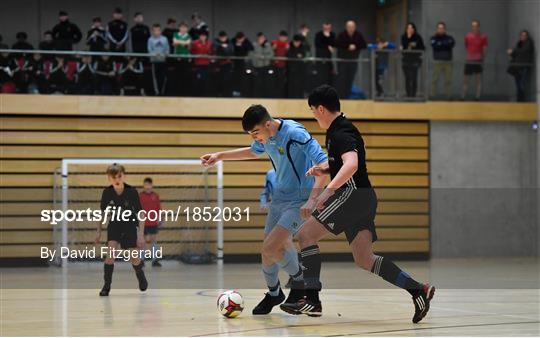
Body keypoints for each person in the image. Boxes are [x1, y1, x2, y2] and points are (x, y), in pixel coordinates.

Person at [280, 85, 435, 323]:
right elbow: (348, 162)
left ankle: (311, 299)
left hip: (352, 196)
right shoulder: (342, 128)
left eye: (312, 111)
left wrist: (325, 193)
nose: (313, 115)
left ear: (320, 109)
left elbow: (351, 165)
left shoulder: (339, 132)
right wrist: (325, 168)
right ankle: (418, 290)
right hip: (365, 198)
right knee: (364, 258)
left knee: (305, 235)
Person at [201, 104, 328, 315]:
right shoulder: (265, 137)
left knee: (270, 248)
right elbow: (252, 152)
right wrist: (220, 156)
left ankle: (300, 283)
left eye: (255, 133)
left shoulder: (295, 133)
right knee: (270, 252)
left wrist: (313, 198)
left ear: (268, 124)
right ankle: (274, 293)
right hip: (279, 198)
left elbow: (324, 163)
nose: (254, 138)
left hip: (299, 200)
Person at [95, 164, 147, 296]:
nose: (117, 179)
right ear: (109, 178)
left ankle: (140, 274)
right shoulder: (107, 192)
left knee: (133, 258)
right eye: (114, 177)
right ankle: (106, 286)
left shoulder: (131, 191)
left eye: (119, 176)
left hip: (129, 225)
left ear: (124, 175)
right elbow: (102, 213)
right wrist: (99, 231)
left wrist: (140, 234)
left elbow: (141, 214)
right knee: (110, 255)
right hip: (114, 225)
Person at [335, 20, 366, 99]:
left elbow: (363, 44)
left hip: (353, 61)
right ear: (346, 27)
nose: (351, 29)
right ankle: (340, 97)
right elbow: (337, 44)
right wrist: (347, 47)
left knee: (350, 79)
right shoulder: (342, 35)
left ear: (355, 27)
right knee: (341, 79)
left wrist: (355, 46)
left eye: (352, 27)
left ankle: (347, 96)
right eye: (349, 27)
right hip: (343, 61)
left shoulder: (358, 35)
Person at [139, 177, 162, 267]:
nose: (147, 186)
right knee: (142, 241)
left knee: (153, 241)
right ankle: (141, 260)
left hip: (153, 223)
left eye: (149, 184)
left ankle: (155, 260)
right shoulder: (140, 196)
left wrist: (160, 218)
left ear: (152, 185)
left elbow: (158, 208)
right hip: (143, 223)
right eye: (146, 184)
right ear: (143, 185)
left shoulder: (155, 196)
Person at [462, 20, 487, 101]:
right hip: (469, 60)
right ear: (471, 27)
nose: (474, 27)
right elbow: (466, 46)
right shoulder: (468, 36)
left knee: (478, 80)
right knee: (466, 80)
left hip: (478, 60)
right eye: (473, 26)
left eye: (476, 26)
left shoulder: (483, 37)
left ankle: (477, 97)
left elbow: (484, 49)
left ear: (479, 27)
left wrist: (482, 58)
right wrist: (471, 55)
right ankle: (463, 97)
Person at [507, 30, 535, 102]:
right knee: (518, 85)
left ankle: (522, 101)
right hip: (517, 67)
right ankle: (519, 100)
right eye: (522, 35)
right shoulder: (519, 44)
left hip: (524, 66)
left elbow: (523, 52)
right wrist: (511, 53)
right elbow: (516, 54)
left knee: (521, 84)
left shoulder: (529, 43)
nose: (523, 37)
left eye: (524, 35)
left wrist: (513, 51)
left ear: (527, 36)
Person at [430, 22, 455, 99]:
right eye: (439, 28)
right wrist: (444, 44)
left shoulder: (450, 38)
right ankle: (433, 95)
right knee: (434, 80)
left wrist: (440, 44)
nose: (440, 29)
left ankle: (449, 96)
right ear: (437, 29)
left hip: (448, 62)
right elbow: (435, 46)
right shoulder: (433, 38)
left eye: (442, 28)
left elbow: (451, 44)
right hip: (437, 62)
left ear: (444, 29)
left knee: (448, 80)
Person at [401, 22, 425, 98]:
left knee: (414, 78)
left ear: (414, 29)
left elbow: (422, 47)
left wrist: (414, 46)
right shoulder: (403, 36)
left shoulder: (418, 37)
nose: (410, 29)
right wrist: (409, 39)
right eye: (408, 28)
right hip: (406, 60)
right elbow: (403, 46)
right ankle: (408, 95)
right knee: (407, 78)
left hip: (415, 60)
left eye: (411, 28)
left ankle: (413, 95)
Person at [249, 32, 274, 97]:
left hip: (266, 67)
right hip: (257, 67)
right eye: (260, 38)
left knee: (266, 83)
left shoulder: (268, 45)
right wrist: (258, 56)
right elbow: (251, 54)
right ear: (258, 38)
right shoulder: (254, 45)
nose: (261, 39)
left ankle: (265, 96)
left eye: (263, 38)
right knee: (257, 83)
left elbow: (271, 54)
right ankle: (256, 97)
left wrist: (264, 57)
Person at [147, 23, 169, 96]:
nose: (156, 32)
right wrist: (154, 54)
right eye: (155, 30)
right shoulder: (150, 39)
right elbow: (149, 50)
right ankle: (157, 92)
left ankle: (162, 92)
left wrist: (165, 54)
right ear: (152, 31)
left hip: (163, 61)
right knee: (155, 78)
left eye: (158, 30)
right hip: (154, 61)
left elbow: (167, 49)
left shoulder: (164, 39)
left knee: (163, 78)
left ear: (160, 31)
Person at [190, 30, 213, 96]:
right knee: (198, 79)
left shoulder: (209, 43)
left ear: (206, 37)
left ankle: (205, 94)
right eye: (201, 36)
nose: (203, 37)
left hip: (206, 64)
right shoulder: (195, 43)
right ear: (199, 36)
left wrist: (209, 54)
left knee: (206, 80)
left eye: (204, 36)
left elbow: (211, 52)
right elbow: (192, 52)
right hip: (198, 64)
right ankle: (197, 94)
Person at [172, 22, 192, 96]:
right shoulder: (175, 34)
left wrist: (179, 42)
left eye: (185, 27)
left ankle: (185, 93)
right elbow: (174, 43)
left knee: (185, 77)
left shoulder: (188, 35)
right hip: (178, 58)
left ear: (187, 29)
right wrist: (184, 43)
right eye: (181, 27)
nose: (183, 29)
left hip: (186, 59)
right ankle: (178, 93)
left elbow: (188, 45)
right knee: (177, 76)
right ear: (179, 28)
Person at [231, 31, 254, 96]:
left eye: (241, 39)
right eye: (238, 39)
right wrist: (236, 45)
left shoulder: (246, 41)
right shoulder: (233, 41)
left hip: (244, 64)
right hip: (235, 63)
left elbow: (251, 48)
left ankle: (244, 93)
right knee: (235, 78)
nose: (239, 40)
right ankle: (235, 92)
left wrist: (242, 45)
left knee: (244, 78)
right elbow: (230, 49)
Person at [314, 22, 336, 88]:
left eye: (328, 28)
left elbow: (334, 45)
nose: (327, 29)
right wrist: (328, 46)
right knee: (320, 77)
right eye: (325, 28)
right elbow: (318, 44)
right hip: (320, 59)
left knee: (329, 77)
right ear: (323, 27)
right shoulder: (318, 34)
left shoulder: (332, 35)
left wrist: (328, 37)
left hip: (329, 59)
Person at [213, 31, 234, 97]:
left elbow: (230, 51)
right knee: (218, 80)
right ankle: (219, 93)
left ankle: (226, 94)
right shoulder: (216, 42)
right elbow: (216, 49)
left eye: (224, 37)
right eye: (221, 37)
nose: (223, 39)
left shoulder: (230, 43)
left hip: (227, 64)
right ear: (219, 37)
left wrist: (225, 47)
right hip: (218, 65)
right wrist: (222, 46)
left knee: (226, 80)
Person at [272, 30, 289, 97]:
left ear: (286, 38)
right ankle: (275, 95)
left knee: (282, 83)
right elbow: (272, 53)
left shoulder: (288, 45)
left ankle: (282, 96)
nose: (283, 38)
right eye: (281, 37)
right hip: (275, 66)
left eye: (284, 37)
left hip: (284, 66)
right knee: (275, 82)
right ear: (279, 37)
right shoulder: (274, 43)